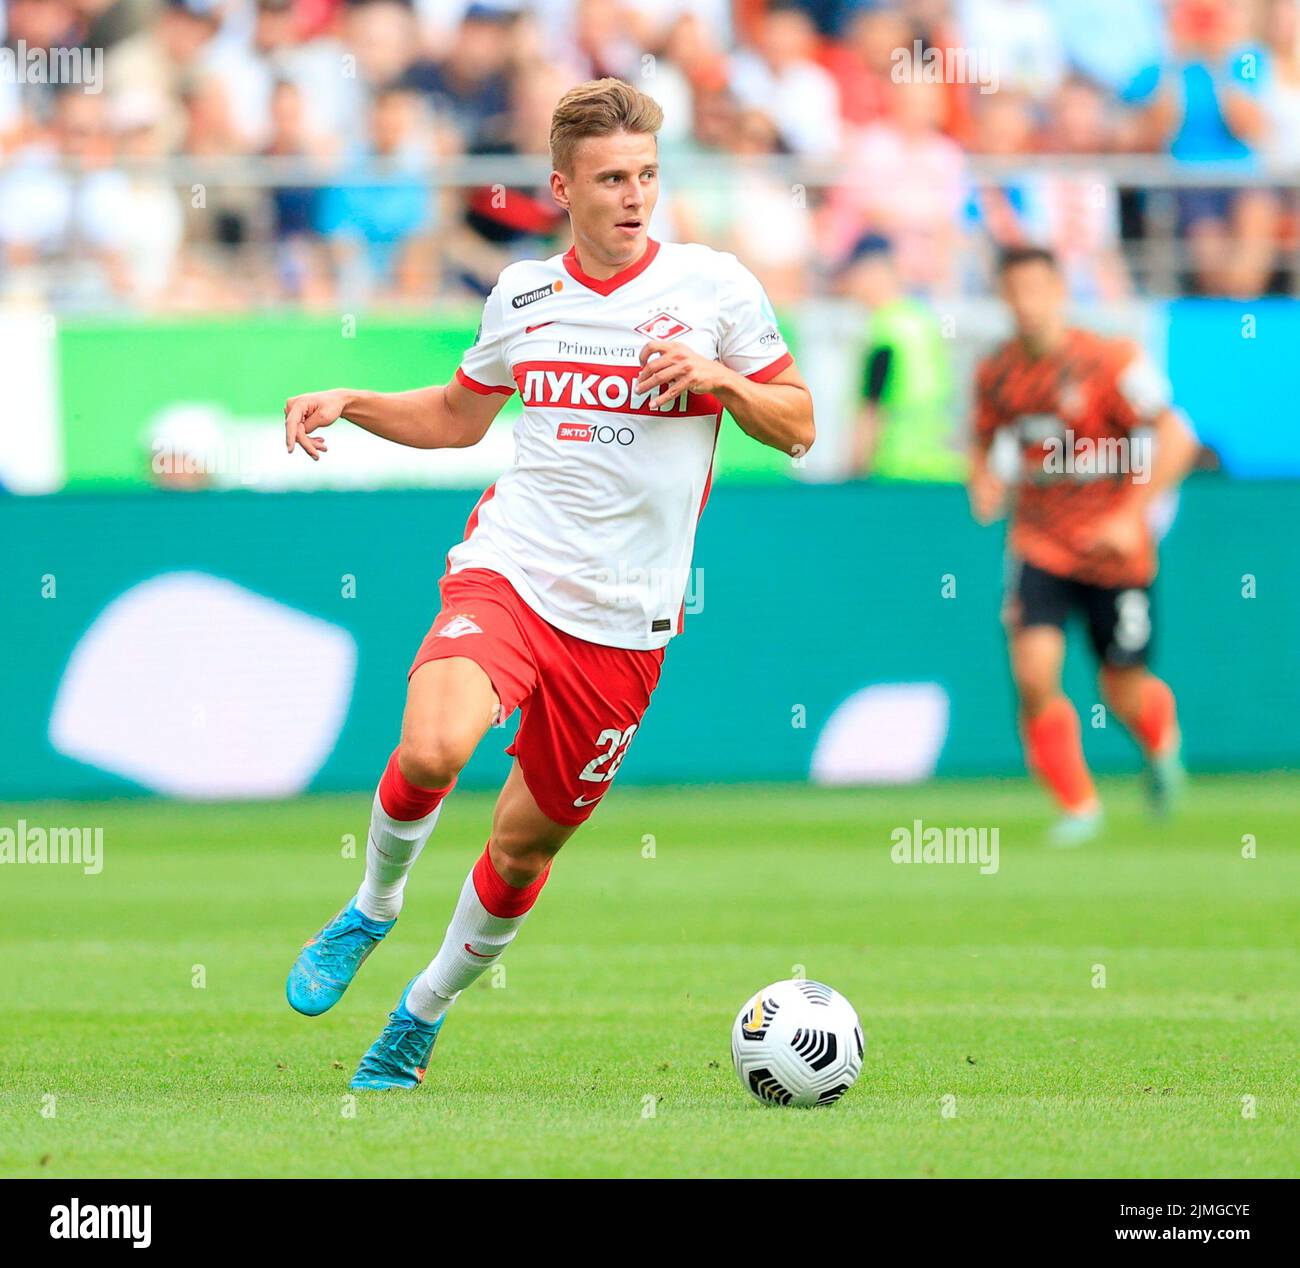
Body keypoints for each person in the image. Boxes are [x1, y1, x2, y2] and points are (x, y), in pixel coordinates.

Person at [280, 78, 813, 1089]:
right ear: (561, 186)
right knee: (432, 745)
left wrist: (724, 381)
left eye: (648, 175)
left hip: (624, 620)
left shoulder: (716, 290)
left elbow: (799, 424)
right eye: (612, 178)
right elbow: (454, 415)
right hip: (512, 569)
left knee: (521, 854)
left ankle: (418, 1013)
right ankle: (373, 904)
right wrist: (350, 398)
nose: (634, 195)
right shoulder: (524, 293)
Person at [968, 246, 1199, 846]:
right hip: (1040, 543)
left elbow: (1178, 436)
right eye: (1015, 293)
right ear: (1003, 299)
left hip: (1114, 553)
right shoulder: (995, 373)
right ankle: (1079, 806)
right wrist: (985, 478)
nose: (1027, 305)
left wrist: (1130, 517)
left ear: (1060, 293)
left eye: (1038, 291)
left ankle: (1160, 739)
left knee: (1120, 686)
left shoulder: (1111, 360)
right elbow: (983, 439)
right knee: (1034, 673)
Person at [842, 233, 962, 482]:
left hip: (896, 471)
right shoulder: (922, 320)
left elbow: (871, 408)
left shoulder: (883, 332)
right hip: (941, 467)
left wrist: (854, 473)